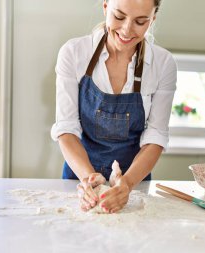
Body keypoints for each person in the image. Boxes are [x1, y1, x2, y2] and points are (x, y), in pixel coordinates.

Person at [51, 0, 177, 214]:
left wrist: (126, 185)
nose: (127, 30)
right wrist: (89, 180)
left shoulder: (163, 64)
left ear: (152, 18)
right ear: (105, 7)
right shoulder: (73, 53)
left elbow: (156, 136)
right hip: (81, 179)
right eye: (119, 16)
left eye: (140, 21)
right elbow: (66, 128)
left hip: (133, 183)